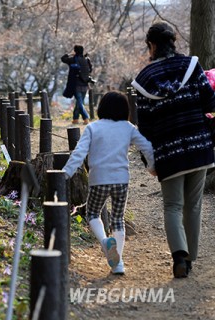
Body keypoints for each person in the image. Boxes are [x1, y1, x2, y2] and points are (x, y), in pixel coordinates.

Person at [131, 22, 215, 278]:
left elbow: (144, 127)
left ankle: (179, 257)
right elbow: (210, 102)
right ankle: (191, 255)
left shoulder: (144, 80)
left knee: (172, 206)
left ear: (152, 45)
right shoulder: (191, 66)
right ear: (173, 41)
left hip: (168, 153)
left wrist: (150, 161)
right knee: (194, 205)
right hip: (198, 147)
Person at [62, 91, 156, 275]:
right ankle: (118, 264)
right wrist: (152, 168)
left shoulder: (93, 128)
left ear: (101, 108)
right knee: (118, 220)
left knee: (93, 213)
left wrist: (65, 173)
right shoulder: (128, 128)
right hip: (121, 180)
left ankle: (105, 242)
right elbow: (147, 147)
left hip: (99, 180)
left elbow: (79, 153)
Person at [61, 45, 93, 125]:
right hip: (85, 85)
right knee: (79, 102)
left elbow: (63, 59)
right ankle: (75, 119)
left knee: (79, 103)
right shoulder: (86, 60)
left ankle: (86, 118)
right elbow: (90, 70)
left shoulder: (73, 60)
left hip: (76, 85)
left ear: (75, 51)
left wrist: (70, 54)